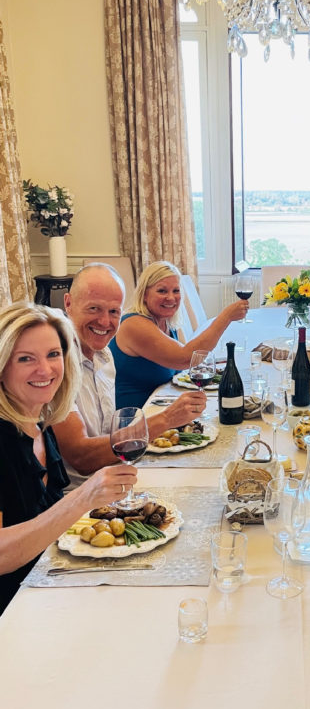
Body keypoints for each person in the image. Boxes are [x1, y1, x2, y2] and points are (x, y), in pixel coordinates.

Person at [0, 302, 137, 616]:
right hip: (13, 612)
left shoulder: (39, 423)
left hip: (48, 581)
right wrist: (83, 498)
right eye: (25, 359)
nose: (46, 370)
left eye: (53, 354)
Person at [53, 263, 207, 488]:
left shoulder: (104, 355)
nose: (105, 322)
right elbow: (82, 458)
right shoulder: (57, 365)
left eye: (114, 311)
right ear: (68, 303)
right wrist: (165, 420)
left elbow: (108, 434)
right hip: (83, 494)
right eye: (93, 309)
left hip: (116, 471)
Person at [109, 261, 248, 409]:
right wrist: (225, 317)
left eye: (176, 291)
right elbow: (185, 358)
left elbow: (184, 363)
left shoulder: (165, 323)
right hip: (136, 419)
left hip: (161, 407)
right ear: (144, 294)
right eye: (162, 291)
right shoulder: (134, 325)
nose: (170, 297)